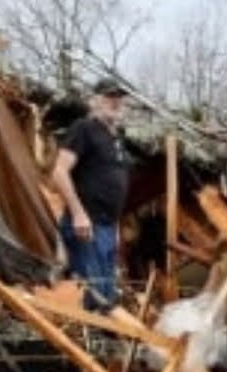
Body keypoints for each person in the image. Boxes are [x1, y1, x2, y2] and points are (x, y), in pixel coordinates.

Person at [50, 78, 131, 311]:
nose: (115, 102)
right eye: (109, 96)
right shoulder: (84, 129)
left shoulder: (116, 139)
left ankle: (103, 345)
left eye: (119, 97)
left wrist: (114, 228)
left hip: (106, 228)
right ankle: (84, 344)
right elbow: (59, 171)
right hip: (86, 227)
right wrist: (78, 214)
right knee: (91, 297)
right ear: (94, 101)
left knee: (107, 296)